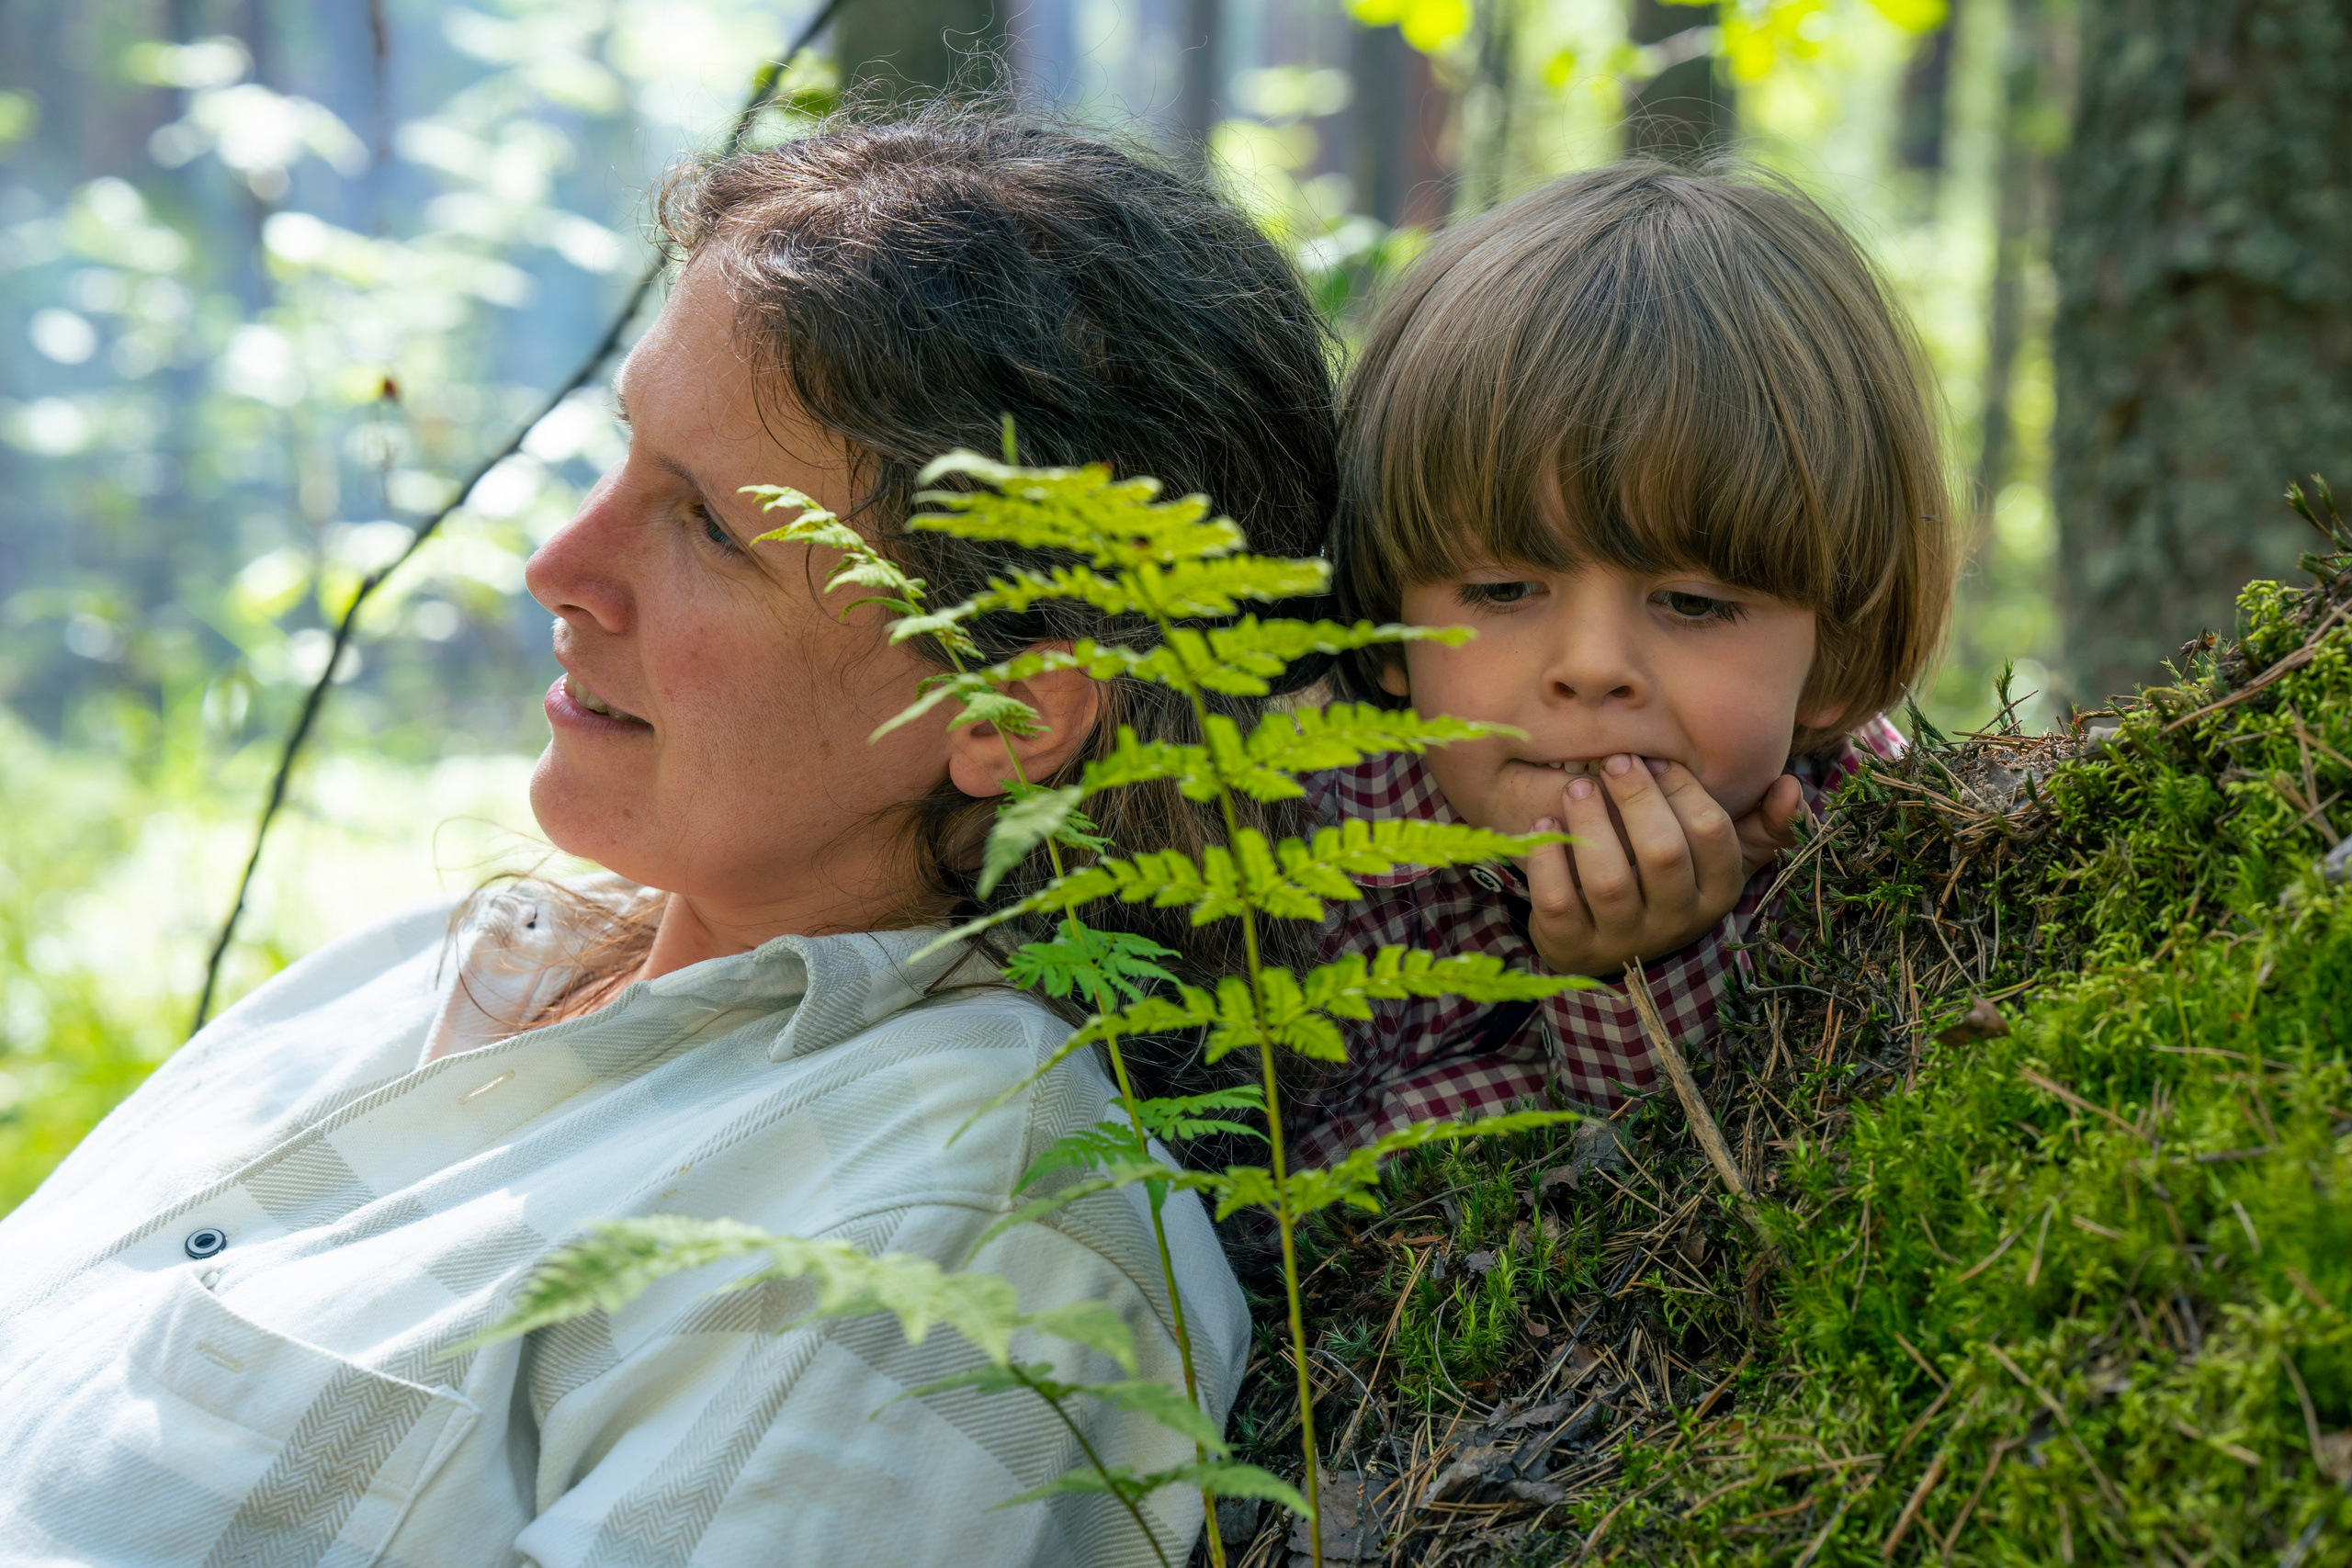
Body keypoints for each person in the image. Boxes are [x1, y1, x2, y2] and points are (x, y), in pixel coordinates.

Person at [0, 104, 1337, 1568]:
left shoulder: (948, 1223)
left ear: (1008, 710)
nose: (558, 563)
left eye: (707, 524)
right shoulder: (434, 970)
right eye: (625, 454)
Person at [1293, 161, 1954, 1167]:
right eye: (1502, 590)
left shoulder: (1871, 866)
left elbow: (1706, 1213)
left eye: (1692, 603)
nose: (1593, 667)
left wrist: (1638, 975)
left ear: (1837, 659)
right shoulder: (1301, 849)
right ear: (1384, 623)